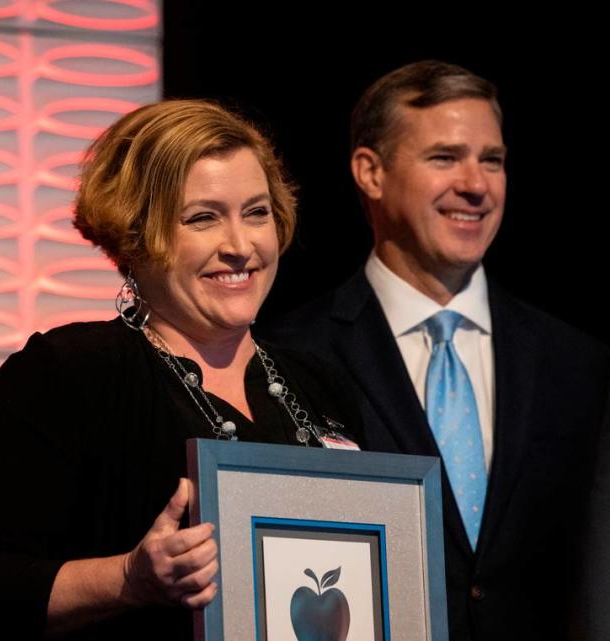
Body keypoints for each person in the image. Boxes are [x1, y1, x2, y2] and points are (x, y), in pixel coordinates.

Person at [0, 99, 363, 640]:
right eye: (202, 218)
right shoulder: (66, 376)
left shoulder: (320, 384)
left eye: (257, 212)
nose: (240, 246)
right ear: (136, 235)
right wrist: (130, 579)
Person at [260, 60, 610, 641]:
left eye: (491, 160)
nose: (476, 184)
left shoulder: (577, 363)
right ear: (370, 172)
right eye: (445, 157)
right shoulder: (290, 355)